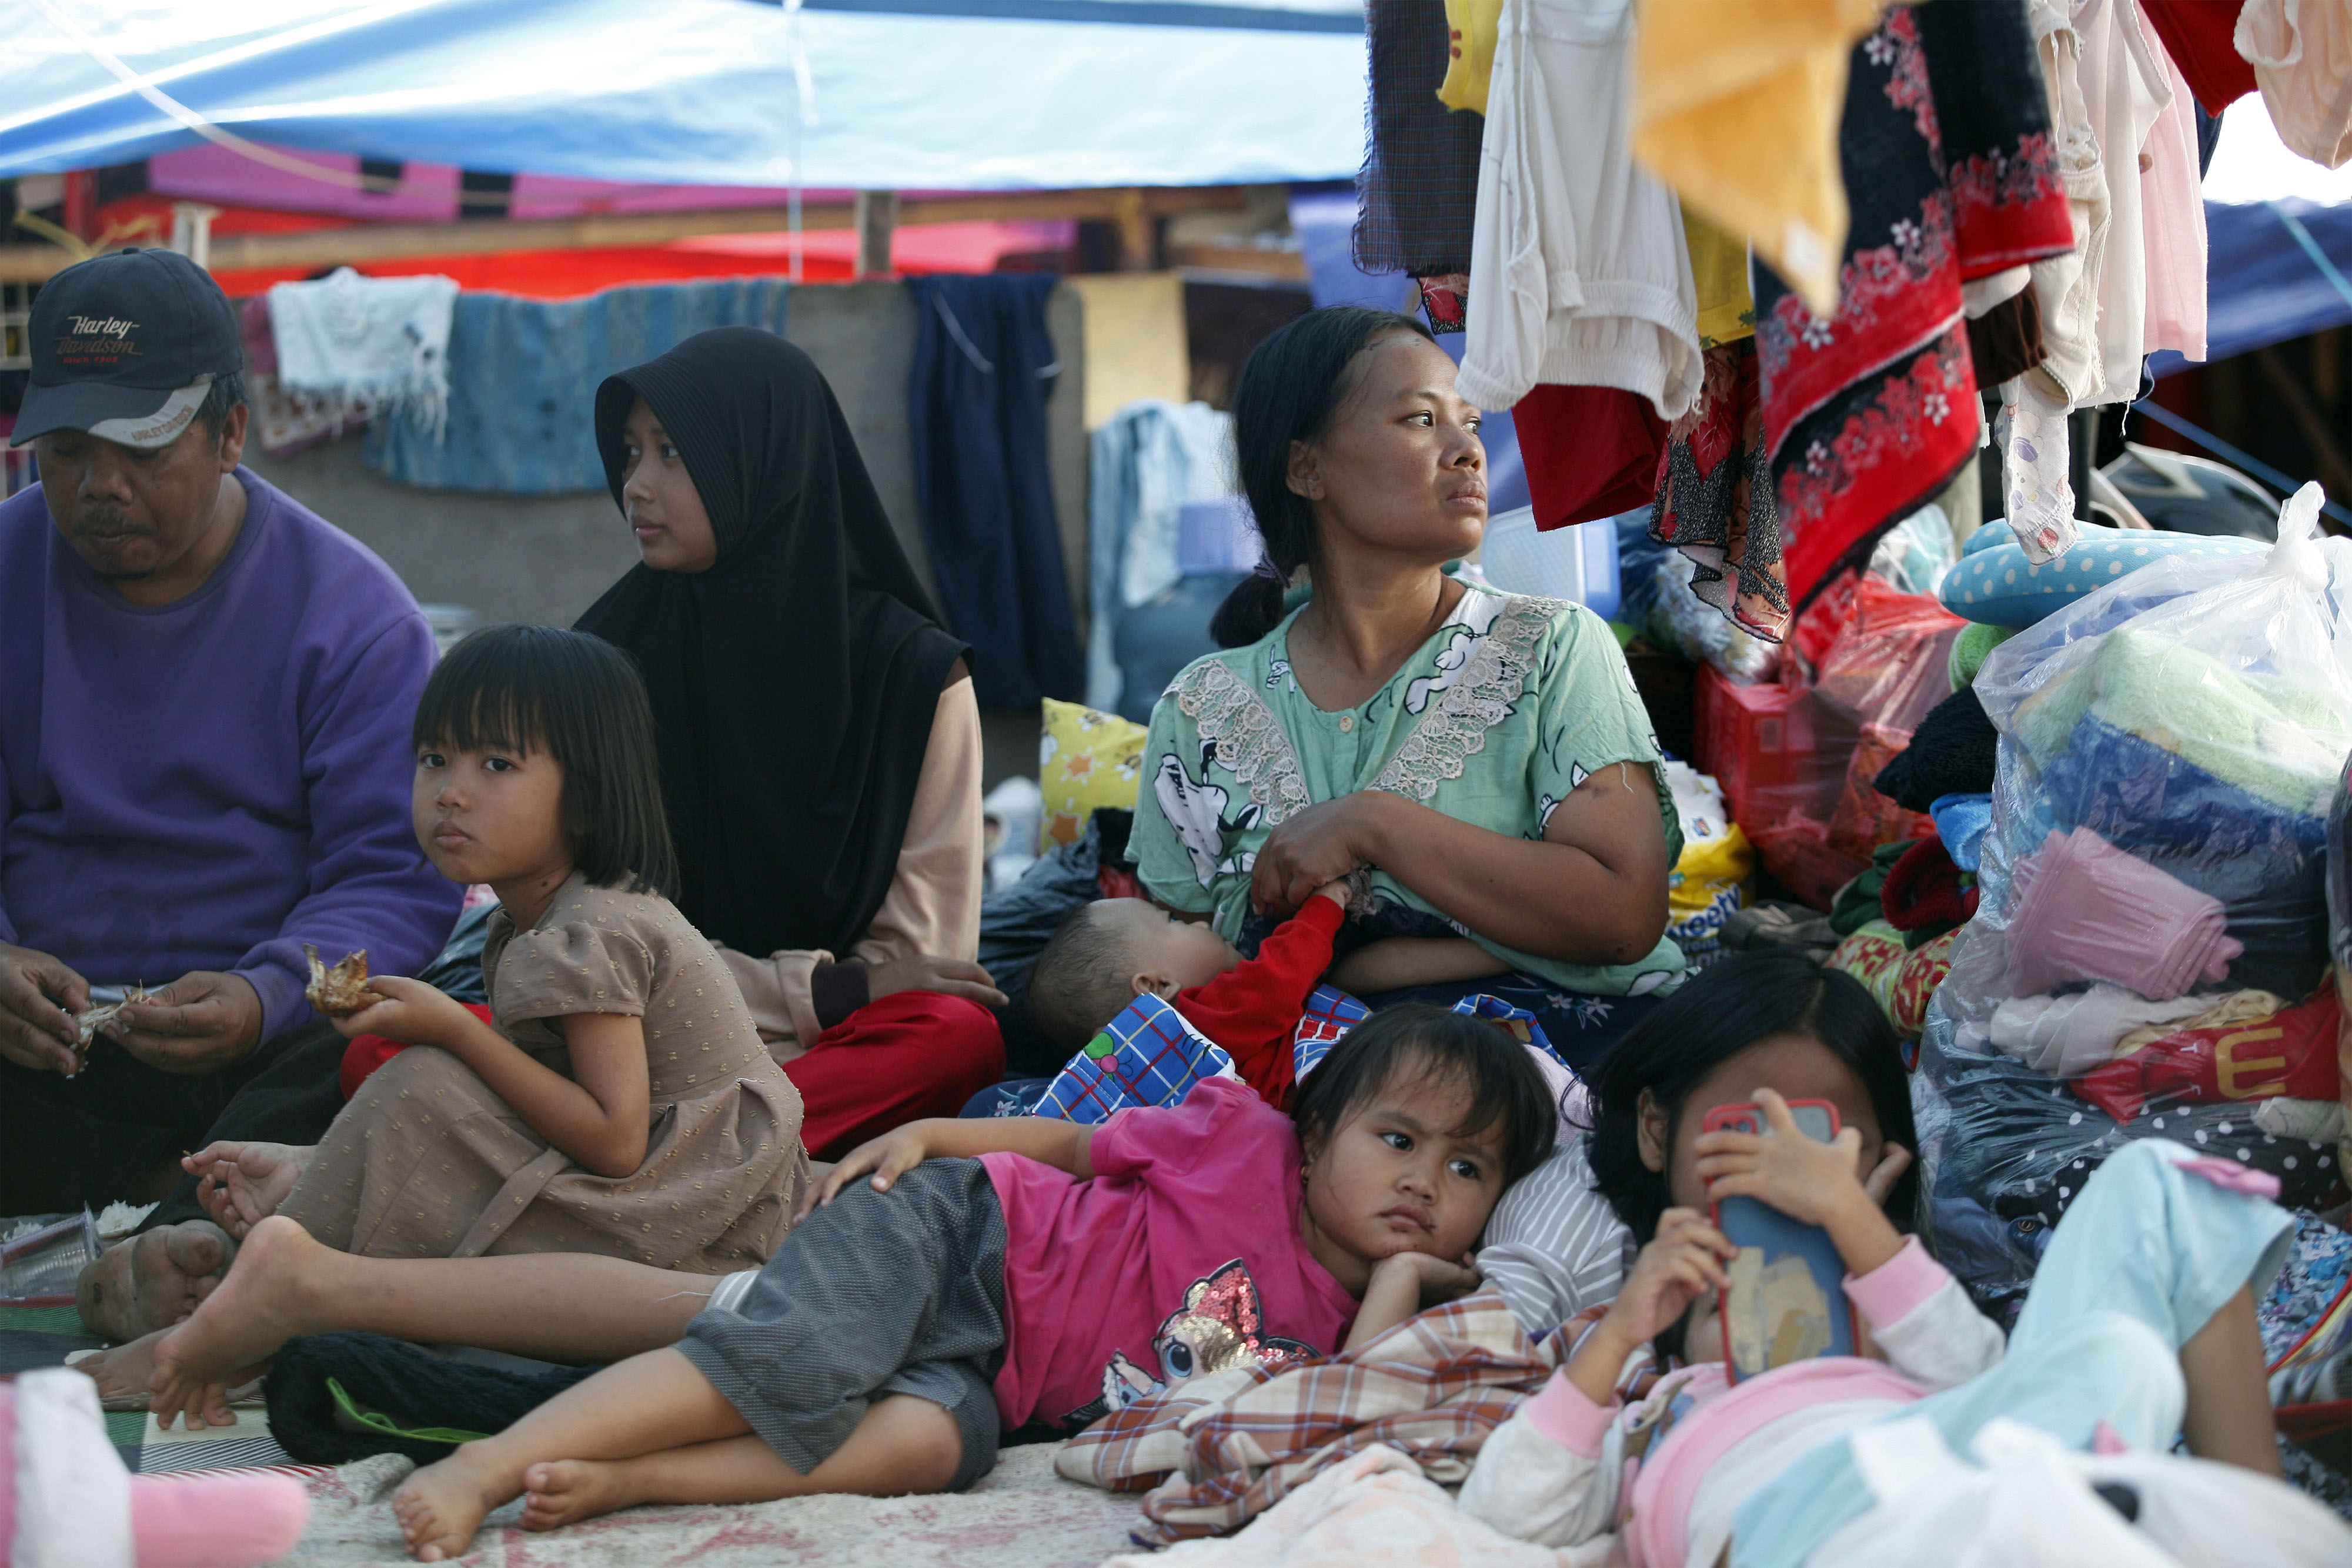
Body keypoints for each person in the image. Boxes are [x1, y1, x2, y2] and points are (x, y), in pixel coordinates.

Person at [144, 1007, 1555, 1555]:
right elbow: (1072, 1136)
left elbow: (1349, 1413)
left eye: (1469, 1169)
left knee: (920, 1453)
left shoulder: (1376, 1319)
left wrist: (1402, 1285)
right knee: (784, 1360)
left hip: (995, 1374)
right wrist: (943, 1130)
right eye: (1395, 1140)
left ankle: (628, 1485)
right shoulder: (1235, 1139)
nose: (1425, 1180)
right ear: (1314, 1138)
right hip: (957, 1236)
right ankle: (495, 1457)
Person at [78, 627, 807, 1379]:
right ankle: (263, 1284)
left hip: (704, 1213)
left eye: (497, 764)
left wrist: (456, 1029)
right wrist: (324, 1158)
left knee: (423, 1080)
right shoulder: (535, 919)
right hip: (668, 1182)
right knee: (423, 1090)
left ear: (587, 797)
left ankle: (242, 1326)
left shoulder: (591, 930)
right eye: (434, 759)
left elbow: (615, 1141)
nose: (452, 791)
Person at [0, 249, 460, 1221]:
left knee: (411, 1068)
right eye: (70, 449)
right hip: (30, 1042)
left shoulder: (356, 618)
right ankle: (166, 1202)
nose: (99, 485)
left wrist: (268, 995)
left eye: (143, 448)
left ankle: (164, 1198)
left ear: (232, 434)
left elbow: (392, 875)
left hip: (266, 1044)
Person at [1128, 306, 1683, 1069]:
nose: (1467, 453)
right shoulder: (1203, 710)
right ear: (1306, 468)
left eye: (1472, 423)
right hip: (1297, 1108)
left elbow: (1623, 916)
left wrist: (1374, 825)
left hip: (1552, 1076)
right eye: (1422, 419)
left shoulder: (1551, 648)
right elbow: (1177, 985)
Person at [1457, 1125, 2294, 1568]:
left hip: (1964, 1473)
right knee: (2105, 1377)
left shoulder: (1901, 1375)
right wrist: (1617, 1336)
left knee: (2133, 1288)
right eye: (1728, 1286)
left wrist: (1848, 1214)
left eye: (1818, 1273)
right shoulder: (1657, 1414)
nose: (1769, 1295)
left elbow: (1989, 1379)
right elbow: (1503, 1514)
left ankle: (2254, 1533)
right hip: (1799, 1525)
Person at [573, 327, 1004, 1159]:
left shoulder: (913, 679)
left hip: (821, 1057)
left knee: (956, 1035)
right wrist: (820, 988)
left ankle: (626, 1161)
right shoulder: (603, 662)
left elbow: (922, 960)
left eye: (672, 453)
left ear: (763, 462)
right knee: (390, 1047)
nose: (636, 485)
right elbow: (582, 940)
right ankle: (694, 1157)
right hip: (629, 1041)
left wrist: (837, 1003)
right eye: (630, 452)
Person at [1474, 949, 1916, 1340]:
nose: (1791, 1174)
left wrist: (1865, 1249)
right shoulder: (1568, 1251)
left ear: (1887, 1155)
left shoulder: (1882, 1243)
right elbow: (1463, 1373)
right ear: (1655, 1129)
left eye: (1828, 1141)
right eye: (1746, 1132)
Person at [1024, 880, 1350, 1108]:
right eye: (1175, 922)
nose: (1202, 926)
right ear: (1157, 987)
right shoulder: (1200, 1026)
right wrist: (1325, 905)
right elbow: (1284, 972)